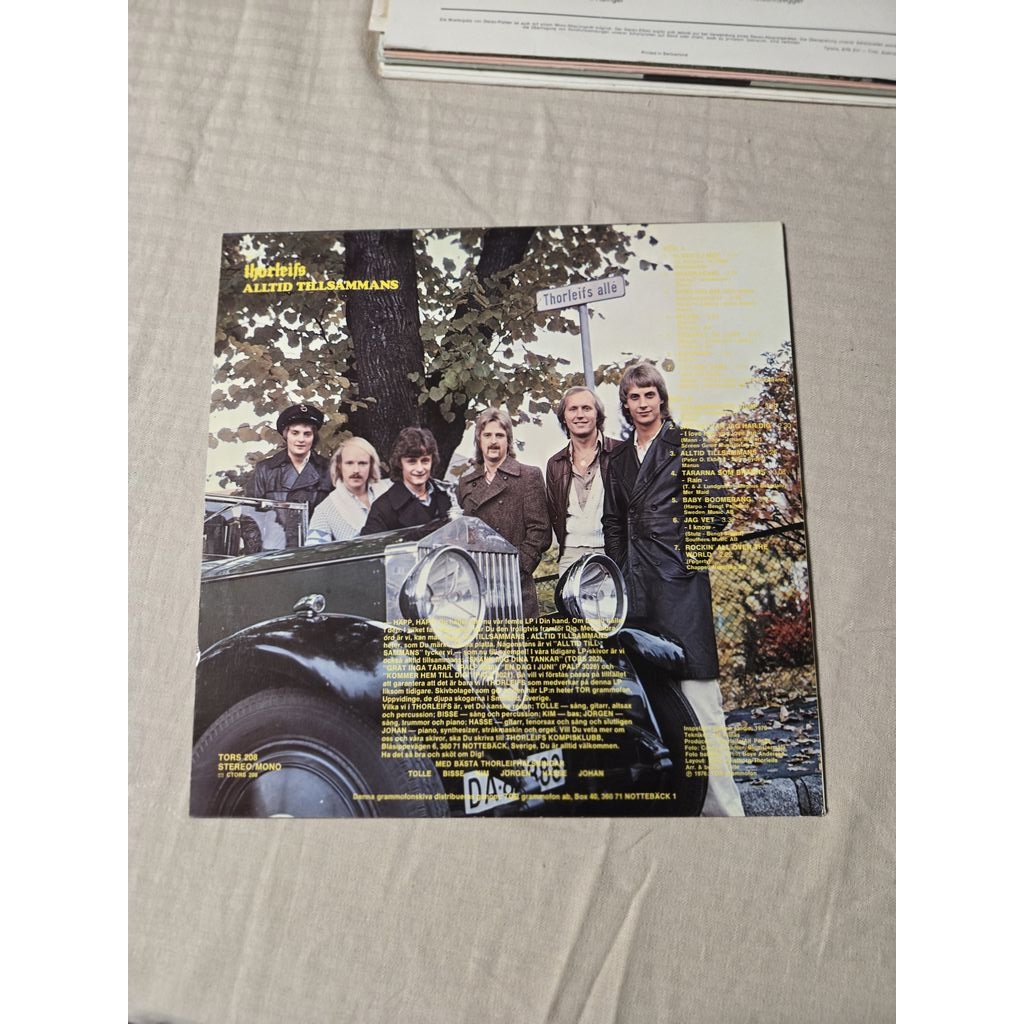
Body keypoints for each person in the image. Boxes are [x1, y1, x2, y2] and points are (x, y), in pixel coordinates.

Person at [602, 362, 744, 816]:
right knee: (656, 708)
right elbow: (612, 523)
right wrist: (622, 571)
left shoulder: (688, 443)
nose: (643, 404)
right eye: (634, 397)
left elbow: (716, 510)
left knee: (701, 704)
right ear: (625, 405)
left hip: (680, 591)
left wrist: (683, 561)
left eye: (650, 395)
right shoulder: (617, 460)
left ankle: (726, 816)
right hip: (636, 595)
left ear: (661, 399)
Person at [457, 408, 551, 619]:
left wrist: (518, 567)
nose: (493, 441)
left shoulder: (528, 476)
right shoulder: (466, 483)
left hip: (516, 585)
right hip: (477, 588)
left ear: (508, 440)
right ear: (479, 440)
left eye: (499, 435)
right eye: (487, 435)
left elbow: (540, 531)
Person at [545, 385, 622, 577]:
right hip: (570, 556)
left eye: (586, 408)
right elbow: (554, 513)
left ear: (597, 414)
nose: (580, 415)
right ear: (564, 417)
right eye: (573, 409)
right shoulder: (555, 464)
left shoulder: (621, 453)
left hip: (614, 553)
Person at [361, 427, 455, 534]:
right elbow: (370, 543)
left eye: (425, 461)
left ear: (432, 461)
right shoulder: (382, 508)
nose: (420, 469)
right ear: (400, 463)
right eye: (412, 461)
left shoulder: (448, 495)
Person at [306, 437, 391, 544]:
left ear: (371, 465)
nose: (356, 470)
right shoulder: (325, 510)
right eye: (349, 463)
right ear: (339, 466)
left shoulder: (390, 489)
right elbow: (315, 551)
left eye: (362, 463)